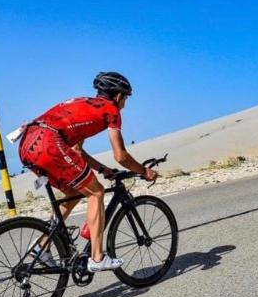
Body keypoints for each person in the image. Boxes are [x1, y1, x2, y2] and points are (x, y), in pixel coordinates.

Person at [17, 72, 158, 272]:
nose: (125, 104)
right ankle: (97, 257)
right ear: (118, 96)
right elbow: (121, 156)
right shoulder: (111, 111)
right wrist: (144, 171)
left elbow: (76, 151)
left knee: (74, 192)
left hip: (28, 144)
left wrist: (102, 169)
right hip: (49, 143)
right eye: (125, 98)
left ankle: (42, 246)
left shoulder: (83, 104)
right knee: (97, 192)